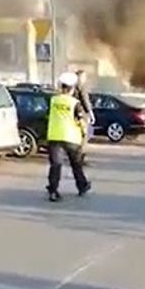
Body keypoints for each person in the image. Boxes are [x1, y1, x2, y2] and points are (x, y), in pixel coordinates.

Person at [46, 71, 92, 202]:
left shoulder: (53, 100)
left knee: (56, 165)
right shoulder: (74, 103)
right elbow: (80, 120)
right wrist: (84, 133)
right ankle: (82, 186)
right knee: (76, 164)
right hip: (71, 138)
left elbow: (47, 115)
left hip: (54, 137)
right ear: (72, 89)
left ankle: (53, 191)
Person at [74, 70, 95, 164]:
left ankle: (77, 158)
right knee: (84, 137)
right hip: (82, 115)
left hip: (75, 115)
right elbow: (85, 101)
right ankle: (79, 159)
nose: (85, 79)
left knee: (78, 137)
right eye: (84, 77)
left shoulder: (72, 88)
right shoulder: (81, 88)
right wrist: (90, 113)